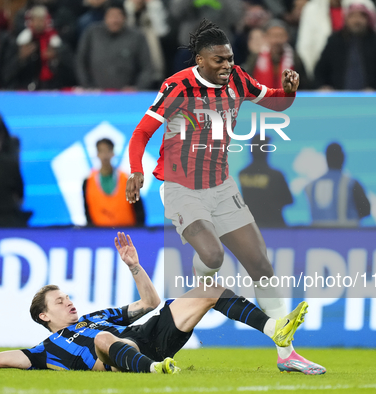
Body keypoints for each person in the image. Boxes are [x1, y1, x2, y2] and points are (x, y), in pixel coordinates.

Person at [126, 19, 325, 374]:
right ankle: (204, 281)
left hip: (221, 187)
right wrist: (136, 170)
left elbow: (277, 104)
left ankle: (287, 354)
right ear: (200, 61)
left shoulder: (238, 80)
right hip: (181, 188)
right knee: (214, 255)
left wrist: (290, 90)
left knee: (261, 265)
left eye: (230, 58)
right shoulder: (177, 86)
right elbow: (142, 132)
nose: (227, 65)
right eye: (219, 60)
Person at [0, 232, 312, 374]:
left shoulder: (96, 316)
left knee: (208, 288)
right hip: (121, 356)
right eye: (60, 301)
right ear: (43, 316)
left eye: (67, 297)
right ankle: (155, 371)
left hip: (145, 336)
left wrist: (135, 267)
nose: (69, 303)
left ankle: (275, 332)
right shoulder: (46, 351)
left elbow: (150, 302)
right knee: (103, 340)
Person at [313, 3, 376, 90]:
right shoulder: (334, 41)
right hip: (338, 97)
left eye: (361, 16)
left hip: (372, 99)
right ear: (346, 19)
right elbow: (320, 71)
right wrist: (324, 87)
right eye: (352, 16)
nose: (357, 21)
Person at [76, 1, 154, 90]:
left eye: (118, 16)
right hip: (96, 94)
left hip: (127, 96)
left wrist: (137, 88)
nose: (114, 20)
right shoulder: (92, 33)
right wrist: (88, 86)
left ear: (124, 17)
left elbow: (147, 68)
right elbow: (80, 62)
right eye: (111, 16)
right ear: (105, 17)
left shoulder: (137, 37)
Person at [9, 5, 76, 90]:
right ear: (30, 22)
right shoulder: (22, 43)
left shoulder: (56, 42)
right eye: (35, 20)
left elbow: (72, 68)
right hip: (28, 89)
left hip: (54, 87)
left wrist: (57, 57)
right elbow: (8, 73)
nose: (38, 23)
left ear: (47, 21)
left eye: (41, 20)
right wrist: (20, 58)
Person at [305, 143, 370, 227]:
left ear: (326, 158)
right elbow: (366, 210)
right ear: (343, 158)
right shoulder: (351, 184)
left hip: (318, 236)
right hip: (347, 234)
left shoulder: (311, 186)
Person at [83, 138, 145, 227]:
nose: (105, 156)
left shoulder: (127, 180)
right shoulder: (88, 182)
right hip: (99, 235)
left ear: (113, 153)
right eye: (101, 151)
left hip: (127, 234)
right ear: (97, 154)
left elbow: (139, 210)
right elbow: (87, 212)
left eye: (107, 151)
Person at [239, 135, 293, 227]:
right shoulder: (276, 175)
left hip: (252, 226)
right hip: (275, 226)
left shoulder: (242, 174)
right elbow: (289, 200)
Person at [243, 20, 310, 90]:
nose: (277, 41)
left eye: (280, 36)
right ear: (266, 37)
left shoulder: (295, 59)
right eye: (273, 36)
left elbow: (305, 85)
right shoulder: (256, 58)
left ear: (287, 37)